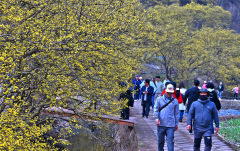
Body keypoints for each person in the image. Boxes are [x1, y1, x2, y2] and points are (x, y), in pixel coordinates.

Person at [154, 84, 179, 151]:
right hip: (161, 124)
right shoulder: (159, 99)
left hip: (170, 125)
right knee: (160, 143)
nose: (169, 94)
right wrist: (156, 118)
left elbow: (176, 113)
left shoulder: (175, 101)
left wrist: (176, 124)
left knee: (170, 142)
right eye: (168, 92)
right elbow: (156, 109)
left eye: (171, 93)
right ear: (165, 91)